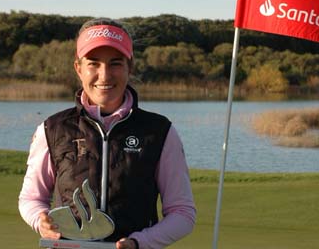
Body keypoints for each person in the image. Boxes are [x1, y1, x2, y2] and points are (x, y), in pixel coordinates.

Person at [19, 18, 196, 249]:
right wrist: (40, 221)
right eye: (93, 63)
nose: (104, 75)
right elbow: (31, 199)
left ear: (129, 67)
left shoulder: (159, 131)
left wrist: (140, 242)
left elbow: (182, 213)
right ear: (78, 68)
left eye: (115, 63)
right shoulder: (52, 129)